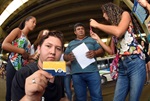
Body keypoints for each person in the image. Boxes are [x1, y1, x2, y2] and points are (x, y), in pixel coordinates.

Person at [90, 2, 146, 101]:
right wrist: (98, 39)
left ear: (110, 10)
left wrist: (97, 25)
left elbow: (119, 31)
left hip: (135, 62)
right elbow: (111, 51)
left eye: (104, 12)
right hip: (122, 67)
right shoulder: (114, 28)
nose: (103, 15)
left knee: (133, 98)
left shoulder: (125, 15)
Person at [11, 30, 68, 101]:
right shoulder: (24, 73)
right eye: (48, 46)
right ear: (39, 49)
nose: (53, 52)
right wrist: (29, 97)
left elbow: (61, 98)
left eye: (58, 49)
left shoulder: (59, 74)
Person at [63, 23, 103, 101]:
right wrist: (68, 57)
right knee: (80, 97)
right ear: (75, 32)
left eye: (82, 29)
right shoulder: (71, 44)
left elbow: (101, 50)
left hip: (92, 72)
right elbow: (65, 56)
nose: (81, 30)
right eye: (78, 29)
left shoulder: (91, 40)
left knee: (97, 95)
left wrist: (95, 53)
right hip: (77, 74)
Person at [2, 16, 36, 101]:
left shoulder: (28, 40)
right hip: (13, 64)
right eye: (33, 21)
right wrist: (21, 51)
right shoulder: (18, 31)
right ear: (26, 22)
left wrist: (32, 57)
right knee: (10, 91)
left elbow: (25, 56)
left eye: (35, 23)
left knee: (18, 92)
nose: (34, 24)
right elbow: (5, 44)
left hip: (22, 69)